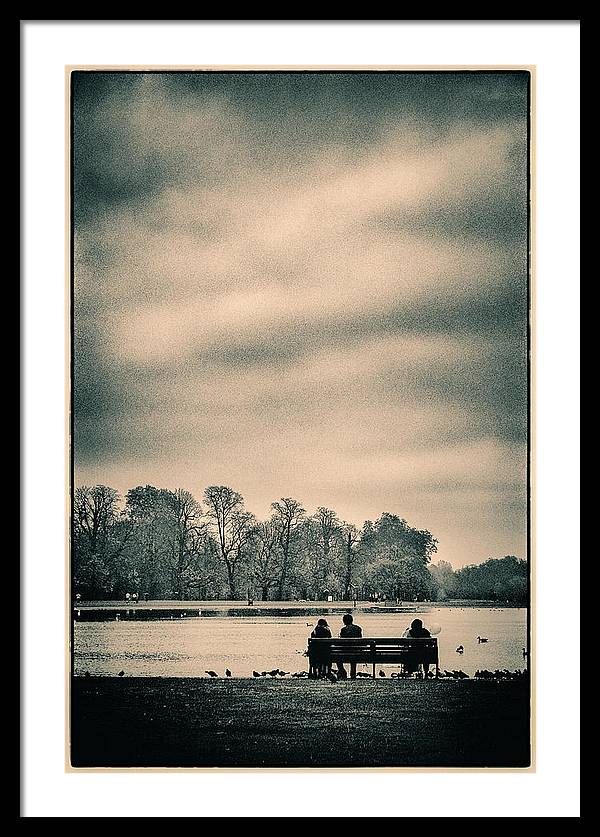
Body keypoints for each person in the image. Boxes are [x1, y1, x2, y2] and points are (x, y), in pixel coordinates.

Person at [337, 613, 363, 680]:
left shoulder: (343, 630)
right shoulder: (358, 628)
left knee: (337, 657)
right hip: (356, 652)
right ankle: (353, 674)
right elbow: (360, 640)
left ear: (344, 621)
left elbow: (341, 643)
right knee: (353, 657)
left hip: (345, 652)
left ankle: (342, 671)